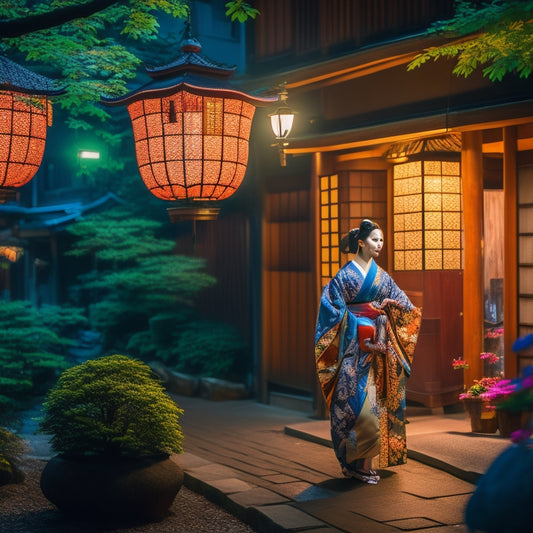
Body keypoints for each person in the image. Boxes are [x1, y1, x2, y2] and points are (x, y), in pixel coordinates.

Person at [314, 219, 422, 484]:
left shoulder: (383, 277)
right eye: (375, 239)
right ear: (360, 242)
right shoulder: (343, 277)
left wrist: (389, 306)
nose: (380, 244)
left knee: (379, 407)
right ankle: (352, 463)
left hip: (381, 351)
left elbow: (406, 308)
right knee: (355, 409)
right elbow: (331, 312)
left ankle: (365, 464)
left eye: (382, 240)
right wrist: (360, 324)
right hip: (353, 352)